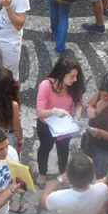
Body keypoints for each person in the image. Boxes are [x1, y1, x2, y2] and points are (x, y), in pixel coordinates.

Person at [35, 55, 84, 186]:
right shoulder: (45, 86)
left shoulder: (74, 86)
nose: (75, 79)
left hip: (65, 128)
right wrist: (54, 111)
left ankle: (63, 173)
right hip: (46, 126)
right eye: (72, 76)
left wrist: (77, 117)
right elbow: (40, 113)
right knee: (45, 149)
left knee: (63, 150)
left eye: (76, 76)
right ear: (62, 74)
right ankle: (42, 173)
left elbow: (79, 103)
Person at [0, 67, 25, 154]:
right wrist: (21, 139)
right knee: (13, 161)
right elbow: (17, 127)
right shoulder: (12, 105)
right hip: (9, 136)